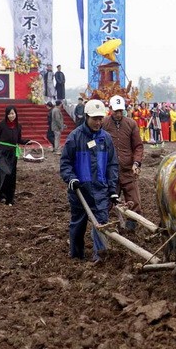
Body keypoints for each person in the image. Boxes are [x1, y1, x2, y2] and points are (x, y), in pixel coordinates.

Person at [60, 100, 119, 263]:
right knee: (78, 225)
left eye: (101, 119)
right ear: (86, 117)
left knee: (101, 223)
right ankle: (76, 256)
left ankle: (100, 257)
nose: (98, 122)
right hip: (80, 190)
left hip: (100, 190)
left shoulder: (106, 139)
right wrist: (71, 178)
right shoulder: (75, 137)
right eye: (95, 119)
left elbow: (112, 165)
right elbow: (65, 163)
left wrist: (112, 190)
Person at [102, 95, 144, 230]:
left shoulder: (131, 124)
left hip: (128, 169)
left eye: (121, 110)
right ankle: (103, 223)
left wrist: (136, 162)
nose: (118, 114)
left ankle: (132, 224)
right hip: (110, 170)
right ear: (110, 109)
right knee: (107, 199)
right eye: (116, 111)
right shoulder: (103, 124)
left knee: (134, 200)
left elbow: (138, 146)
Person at [0, 106, 29, 206]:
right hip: (2, 152)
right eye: (9, 114)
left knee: (12, 175)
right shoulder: (1, 124)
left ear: (16, 114)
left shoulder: (18, 126)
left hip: (12, 153)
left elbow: (18, 140)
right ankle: (2, 196)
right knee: (5, 173)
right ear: (6, 114)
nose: (11, 115)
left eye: (13, 113)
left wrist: (26, 141)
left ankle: (10, 198)